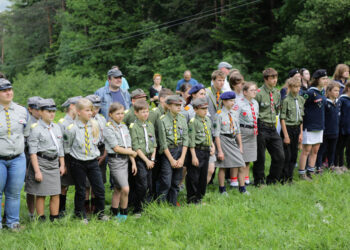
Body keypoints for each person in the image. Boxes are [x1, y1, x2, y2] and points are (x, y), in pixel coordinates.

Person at [63, 98, 107, 223]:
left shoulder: (94, 125)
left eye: (91, 110)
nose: (90, 113)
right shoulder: (72, 128)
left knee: (99, 188)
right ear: (78, 112)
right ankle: (80, 214)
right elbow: (67, 147)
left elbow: (96, 142)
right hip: (78, 162)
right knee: (81, 189)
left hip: (92, 161)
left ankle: (100, 213)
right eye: (87, 110)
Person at [25, 99, 65, 222]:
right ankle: (40, 218)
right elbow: (33, 152)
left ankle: (54, 218)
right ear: (41, 112)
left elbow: (60, 147)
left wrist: (62, 164)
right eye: (48, 111)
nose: (52, 114)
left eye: (53, 111)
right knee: (41, 193)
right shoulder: (35, 129)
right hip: (41, 162)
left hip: (54, 162)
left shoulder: (57, 127)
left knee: (55, 192)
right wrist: (37, 171)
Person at [0, 78, 30, 230]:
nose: (8, 93)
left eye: (10, 89)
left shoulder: (22, 110)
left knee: (14, 193)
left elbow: (25, 133)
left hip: (18, 158)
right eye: (4, 90)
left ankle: (13, 223)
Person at [104, 102, 137, 221]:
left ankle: (114, 211)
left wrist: (133, 162)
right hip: (115, 160)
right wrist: (132, 153)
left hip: (126, 160)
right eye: (117, 114)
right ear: (111, 114)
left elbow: (128, 146)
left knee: (118, 188)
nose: (120, 116)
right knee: (125, 188)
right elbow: (116, 148)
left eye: (122, 113)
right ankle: (123, 214)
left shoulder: (123, 126)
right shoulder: (108, 128)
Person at [254, 68, 284, 186]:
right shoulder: (258, 93)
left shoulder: (277, 93)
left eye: (276, 77)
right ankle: (259, 180)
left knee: (280, 156)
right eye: (272, 78)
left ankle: (272, 179)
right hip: (261, 126)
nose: (275, 80)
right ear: (266, 79)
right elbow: (255, 111)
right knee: (260, 156)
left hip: (272, 127)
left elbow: (277, 109)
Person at [157, 95, 188, 206]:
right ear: (169, 106)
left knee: (176, 181)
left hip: (180, 151)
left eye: (180, 105)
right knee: (166, 180)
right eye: (176, 105)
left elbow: (186, 139)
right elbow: (163, 142)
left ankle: (173, 203)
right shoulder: (162, 120)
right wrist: (171, 160)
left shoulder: (183, 119)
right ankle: (161, 204)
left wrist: (182, 158)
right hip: (168, 152)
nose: (179, 107)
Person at [214, 91, 247, 194]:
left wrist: (240, 146)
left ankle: (242, 189)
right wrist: (219, 151)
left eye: (234, 100)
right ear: (224, 101)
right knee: (223, 166)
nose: (233, 103)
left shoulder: (234, 113)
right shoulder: (218, 115)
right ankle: (222, 189)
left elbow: (237, 131)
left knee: (241, 164)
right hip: (223, 140)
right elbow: (216, 134)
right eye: (231, 101)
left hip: (232, 140)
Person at [298, 69, 327, 180]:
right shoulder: (310, 92)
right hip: (309, 126)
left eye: (326, 78)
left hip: (320, 125)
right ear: (317, 79)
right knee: (306, 150)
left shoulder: (322, 92)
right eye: (323, 79)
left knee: (315, 150)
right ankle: (302, 173)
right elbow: (302, 105)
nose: (325, 81)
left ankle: (311, 171)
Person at [129, 100, 157, 215]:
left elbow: (154, 143)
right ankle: (137, 209)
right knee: (142, 185)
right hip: (141, 159)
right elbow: (135, 146)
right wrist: (146, 160)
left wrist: (152, 159)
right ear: (136, 113)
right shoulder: (133, 127)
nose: (145, 114)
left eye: (147, 111)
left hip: (151, 159)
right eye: (142, 112)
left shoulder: (150, 125)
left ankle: (147, 206)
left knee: (150, 185)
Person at [187, 98, 215, 203]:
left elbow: (209, 135)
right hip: (197, 151)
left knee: (203, 176)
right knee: (194, 176)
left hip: (206, 151)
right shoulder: (193, 122)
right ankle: (192, 198)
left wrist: (212, 146)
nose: (205, 110)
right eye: (202, 109)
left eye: (206, 108)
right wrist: (193, 156)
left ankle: (200, 197)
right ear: (195, 110)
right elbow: (192, 141)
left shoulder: (207, 120)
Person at [58, 96, 82, 216]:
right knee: (64, 185)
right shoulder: (62, 123)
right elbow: (60, 143)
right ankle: (61, 210)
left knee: (80, 184)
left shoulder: (79, 120)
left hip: (78, 157)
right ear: (72, 106)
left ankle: (79, 210)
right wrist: (63, 163)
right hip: (66, 157)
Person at [84, 95, 107, 213]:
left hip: (100, 149)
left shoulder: (101, 119)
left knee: (98, 180)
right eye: (93, 108)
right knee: (86, 182)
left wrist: (104, 154)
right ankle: (85, 206)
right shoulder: (83, 119)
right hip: (87, 151)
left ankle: (95, 205)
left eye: (98, 108)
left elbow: (105, 136)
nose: (95, 110)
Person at [279, 77, 305, 183]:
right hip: (288, 129)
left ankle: (290, 178)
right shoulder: (285, 100)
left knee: (294, 155)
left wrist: (301, 133)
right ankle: (283, 178)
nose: (297, 89)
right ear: (289, 87)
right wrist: (285, 135)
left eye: (299, 87)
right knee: (287, 155)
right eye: (295, 87)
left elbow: (301, 117)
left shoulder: (301, 99)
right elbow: (282, 118)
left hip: (296, 129)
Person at [237, 82, 259, 186]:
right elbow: (235, 119)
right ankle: (236, 180)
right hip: (243, 131)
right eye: (251, 90)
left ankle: (246, 179)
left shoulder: (255, 103)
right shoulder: (239, 103)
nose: (254, 92)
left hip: (253, 131)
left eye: (255, 90)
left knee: (249, 158)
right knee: (242, 158)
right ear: (245, 92)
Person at [316, 81, 341, 173]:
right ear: (329, 91)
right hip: (326, 131)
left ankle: (331, 165)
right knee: (322, 150)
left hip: (335, 131)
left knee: (332, 150)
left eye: (338, 91)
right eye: (335, 90)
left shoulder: (338, 102)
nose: (337, 93)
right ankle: (318, 166)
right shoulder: (325, 102)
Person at [206, 70, 225, 184]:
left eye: (223, 80)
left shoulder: (223, 94)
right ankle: (207, 178)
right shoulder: (207, 93)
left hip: (219, 129)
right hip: (209, 128)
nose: (221, 83)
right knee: (210, 154)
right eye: (219, 80)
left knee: (217, 152)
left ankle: (212, 179)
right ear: (213, 81)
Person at [25, 96, 43, 220]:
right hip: (28, 155)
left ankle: (40, 211)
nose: (39, 111)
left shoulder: (44, 120)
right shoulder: (27, 122)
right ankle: (31, 213)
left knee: (41, 185)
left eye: (41, 109)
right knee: (30, 185)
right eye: (36, 109)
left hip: (42, 156)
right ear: (30, 109)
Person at [335, 82, 350, 171]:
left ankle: (347, 166)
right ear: (348, 88)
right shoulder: (342, 99)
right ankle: (338, 165)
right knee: (339, 148)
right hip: (342, 128)